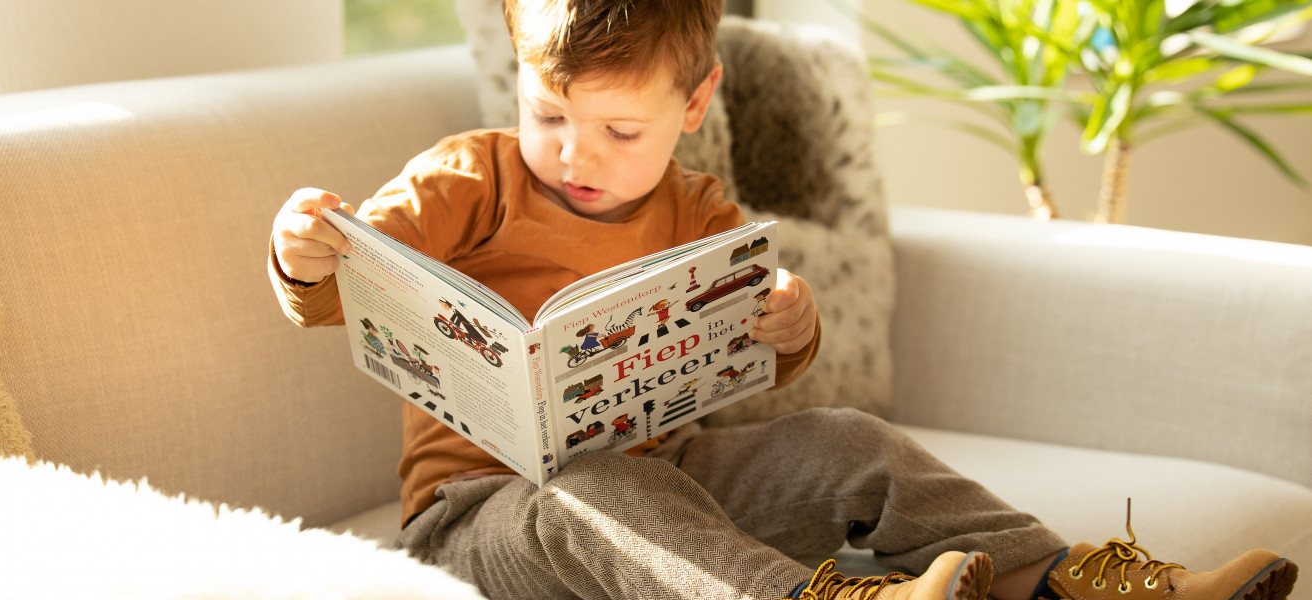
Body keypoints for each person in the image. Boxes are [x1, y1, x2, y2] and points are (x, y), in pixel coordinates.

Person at [266, 1, 1298, 599]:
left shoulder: (699, 206)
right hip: (485, 517)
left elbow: (756, 339)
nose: (577, 155)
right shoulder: (471, 175)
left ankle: (1073, 580)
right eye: (548, 116)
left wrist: (789, 329)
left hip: (679, 474)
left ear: (694, 104)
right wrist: (308, 254)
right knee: (591, 487)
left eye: (621, 132)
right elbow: (359, 279)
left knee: (852, 438)